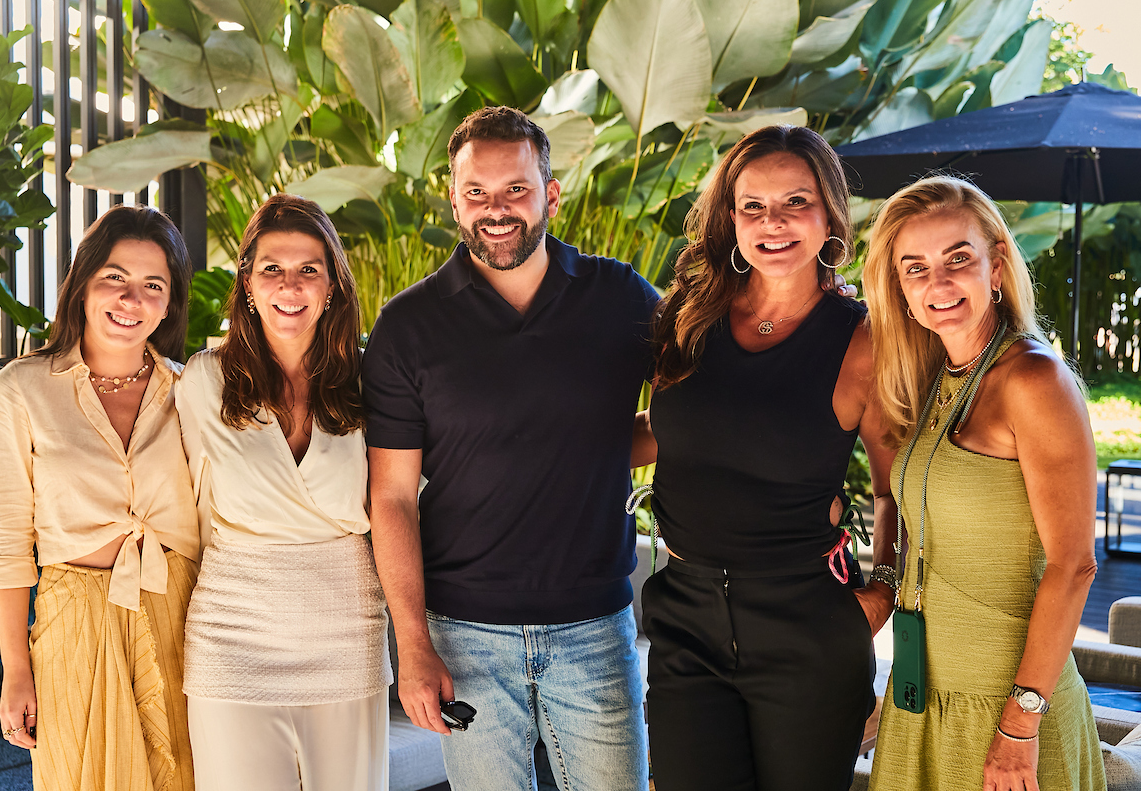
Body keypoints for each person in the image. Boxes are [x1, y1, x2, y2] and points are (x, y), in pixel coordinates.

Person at [361, 106, 657, 790]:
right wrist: (413, 644)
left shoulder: (620, 299)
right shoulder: (407, 326)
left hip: (596, 628)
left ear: (550, 194)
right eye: (476, 193)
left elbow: (698, 397)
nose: (496, 210)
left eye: (515, 190)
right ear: (454, 200)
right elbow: (393, 497)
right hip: (465, 632)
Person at [636, 124, 898, 791]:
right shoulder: (688, 317)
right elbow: (672, 433)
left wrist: (883, 593)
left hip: (804, 619)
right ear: (730, 217)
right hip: (684, 614)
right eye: (753, 205)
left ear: (829, 213)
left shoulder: (865, 340)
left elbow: (899, 490)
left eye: (795, 203)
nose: (772, 223)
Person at [862, 176, 1106, 791]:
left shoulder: (1032, 379)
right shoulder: (935, 381)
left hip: (1005, 708)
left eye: (958, 260)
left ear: (996, 267)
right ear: (900, 290)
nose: (937, 283)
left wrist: (1020, 727)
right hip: (923, 696)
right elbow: (893, 493)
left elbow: (1075, 564)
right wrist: (884, 579)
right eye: (914, 268)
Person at [175, 194, 391, 791]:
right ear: (247, 282)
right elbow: (189, 507)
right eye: (271, 268)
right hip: (231, 635)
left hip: (346, 631)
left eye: (308, 270)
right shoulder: (202, 381)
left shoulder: (376, 380)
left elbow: (404, 503)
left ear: (332, 288)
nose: (289, 285)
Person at [0, 206, 198, 791]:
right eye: (114, 278)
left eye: (153, 285)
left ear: (170, 303)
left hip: (181, 613)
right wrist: (15, 671)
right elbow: (4, 539)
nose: (131, 300)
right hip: (73, 618)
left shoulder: (194, 390)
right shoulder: (20, 390)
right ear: (82, 284)